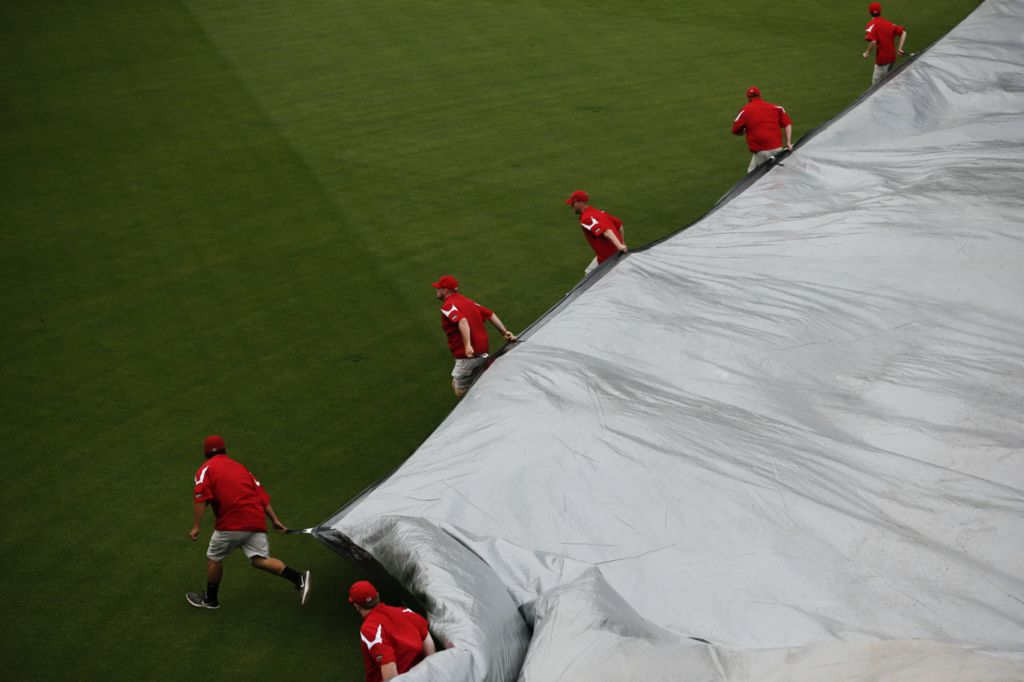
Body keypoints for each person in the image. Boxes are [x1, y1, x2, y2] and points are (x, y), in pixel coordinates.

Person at [186, 435, 310, 609]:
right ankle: (298, 578)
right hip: (255, 520)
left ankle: (210, 600)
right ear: (225, 450)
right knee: (259, 559)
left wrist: (196, 526)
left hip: (231, 524)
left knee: (214, 558)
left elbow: (201, 498)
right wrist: (274, 520)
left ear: (205, 453)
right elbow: (260, 494)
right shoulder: (240, 468)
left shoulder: (205, 470)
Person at [432, 275, 516, 397]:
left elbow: (462, 321)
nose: (437, 291)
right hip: (483, 352)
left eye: (438, 288)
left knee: (461, 392)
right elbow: (490, 314)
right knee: (471, 381)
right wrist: (505, 332)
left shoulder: (448, 306)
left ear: (445, 290)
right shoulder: (468, 301)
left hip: (467, 357)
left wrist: (467, 346)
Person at [349, 580, 436, 682]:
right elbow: (430, 652)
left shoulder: (369, 629)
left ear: (357, 606)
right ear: (377, 595)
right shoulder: (406, 612)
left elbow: (389, 668)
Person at [564, 190, 627, 275]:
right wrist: (622, 243)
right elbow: (619, 225)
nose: (571, 206)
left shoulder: (586, 218)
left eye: (573, 203)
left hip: (608, 258)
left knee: (594, 280)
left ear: (580, 203)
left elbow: (606, 231)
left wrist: (619, 246)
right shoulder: (599, 212)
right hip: (613, 253)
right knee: (588, 274)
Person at [731, 86, 793, 172]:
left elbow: (735, 130)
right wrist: (788, 142)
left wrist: (745, 130)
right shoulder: (775, 107)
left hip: (762, 152)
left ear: (748, 98)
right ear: (760, 95)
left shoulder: (745, 111)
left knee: (762, 178)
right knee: (752, 171)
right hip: (776, 148)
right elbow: (787, 124)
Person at [863, 2, 908, 85]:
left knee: (875, 89)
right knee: (888, 84)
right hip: (892, 59)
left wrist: (867, 53)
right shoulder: (889, 23)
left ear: (869, 12)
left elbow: (873, 41)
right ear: (880, 11)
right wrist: (900, 48)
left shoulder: (871, 24)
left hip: (882, 61)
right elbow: (903, 32)